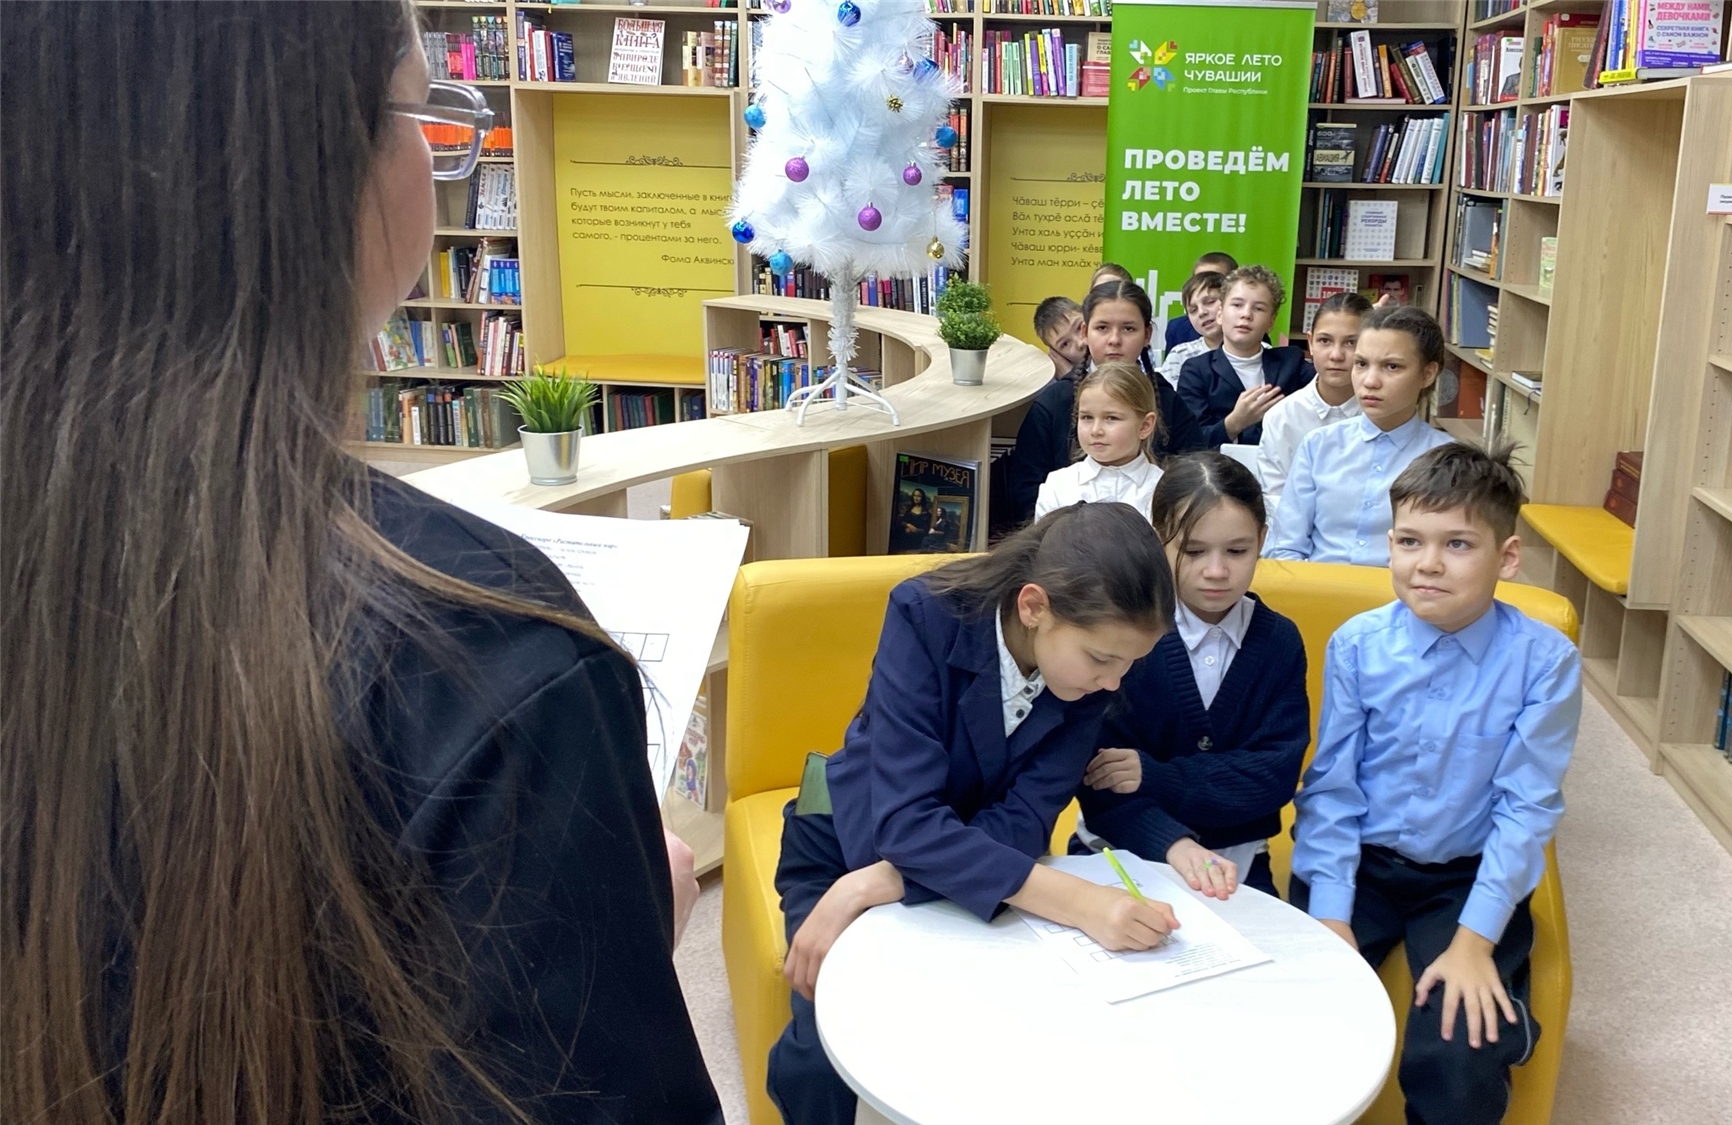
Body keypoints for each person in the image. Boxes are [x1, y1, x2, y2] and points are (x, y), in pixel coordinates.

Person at [1, 6, 722, 1125]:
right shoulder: (495, 662)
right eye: (424, 113)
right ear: (321, 165)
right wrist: (603, 940)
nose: (432, 158)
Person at [765, 503, 1180, 1125]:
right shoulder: (924, 614)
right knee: (833, 1052)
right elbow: (903, 823)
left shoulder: (1089, 675)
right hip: (843, 849)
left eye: (1129, 664)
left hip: (927, 872)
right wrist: (1084, 903)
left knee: (1008, 1043)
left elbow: (1025, 821)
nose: (1115, 683)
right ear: (1034, 607)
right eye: (1101, 660)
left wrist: (884, 880)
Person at [1291, 442, 1581, 1125]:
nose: (1428, 563)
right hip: (1362, 863)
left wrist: (1475, 942)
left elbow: (1526, 809)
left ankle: (1507, 1026)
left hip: (1464, 874)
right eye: (1410, 541)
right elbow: (1332, 787)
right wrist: (1330, 914)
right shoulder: (1357, 644)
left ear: (1507, 557)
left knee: (1459, 1046)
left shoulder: (1545, 661)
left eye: (1457, 544)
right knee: (1297, 1008)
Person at [1074, 453, 1310, 900]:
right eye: (1194, 551)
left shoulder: (1279, 642)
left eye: (1237, 551)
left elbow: (1273, 776)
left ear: (1262, 539)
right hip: (1119, 854)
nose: (1216, 571)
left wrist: (1156, 776)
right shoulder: (1121, 637)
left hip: (1241, 864)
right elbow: (1099, 780)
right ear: (1158, 540)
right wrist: (1175, 842)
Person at [1004, 281, 1211, 529]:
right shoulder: (1054, 402)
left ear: (1147, 335)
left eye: (1128, 328)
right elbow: (1026, 488)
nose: (1114, 340)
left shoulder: (1168, 401)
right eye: (1102, 328)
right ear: (1085, 331)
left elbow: (1196, 477)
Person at [1265, 303, 1456, 566]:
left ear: (1428, 374)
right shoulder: (1318, 446)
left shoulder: (1448, 461)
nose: (1370, 381)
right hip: (1314, 586)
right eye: (1361, 364)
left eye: (1392, 367)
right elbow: (1284, 546)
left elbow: (1450, 556)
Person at [1256, 293, 1373, 509]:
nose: (1336, 355)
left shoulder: (1382, 415)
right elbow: (1276, 499)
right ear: (1310, 342)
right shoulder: (1282, 417)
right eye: (1324, 341)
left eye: (1351, 342)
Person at [1174, 265, 1313, 447]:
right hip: (1221, 464)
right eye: (1237, 305)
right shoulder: (1196, 370)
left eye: (1259, 308)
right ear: (1220, 314)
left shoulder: (1291, 362)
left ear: (1271, 322)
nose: (1246, 314)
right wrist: (1235, 422)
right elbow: (1189, 443)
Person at [1034, 362, 1164, 522]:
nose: (1096, 430)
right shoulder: (1059, 485)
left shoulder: (1163, 490)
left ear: (1145, 426)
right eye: (1087, 417)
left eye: (1111, 418)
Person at [1158, 270, 1227, 389]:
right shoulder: (1179, 354)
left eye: (1210, 302)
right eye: (1193, 310)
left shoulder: (1255, 348)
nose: (1202, 312)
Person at [1161, 250, 1240, 352]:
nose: (1202, 312)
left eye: (1213, 279)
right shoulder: (1179, 332)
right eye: (1199, 278)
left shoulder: (1248, 328)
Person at [1034, 295, 1087, 377]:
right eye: (1065, 344)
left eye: (1079, 328)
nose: (1081, 342)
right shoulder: (1061, 383)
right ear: (1057, 355)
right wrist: (1070, 377)